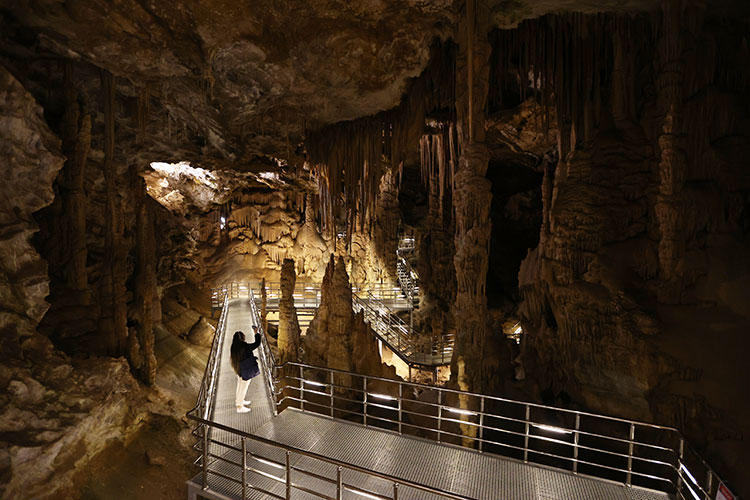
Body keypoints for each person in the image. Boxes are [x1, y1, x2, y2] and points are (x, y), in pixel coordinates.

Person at [230, 326, 262, 413]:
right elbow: (257, 343)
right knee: (244, 387)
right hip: (246, 369)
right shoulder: (245, 346)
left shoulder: (233, 347)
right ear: (242, 338)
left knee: (240, 385)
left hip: (239, 369)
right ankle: (240, 407)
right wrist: (256, 333)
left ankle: (239, 401)